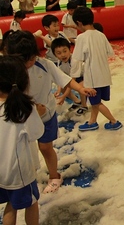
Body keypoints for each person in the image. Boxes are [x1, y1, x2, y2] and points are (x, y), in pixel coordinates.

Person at [5, 30, 96, 194]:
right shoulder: (10, 70)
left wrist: (82, 88)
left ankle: (54, 176)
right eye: (23, 60)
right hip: (21, 117)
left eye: (32, 58)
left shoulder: (44, 65)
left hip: (45, 113)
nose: (29, 63)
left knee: (45, 147)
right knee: (23, 148)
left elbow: (65, 79)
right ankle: (28, 173)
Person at [0, 56, 45, 225]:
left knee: (11, 203)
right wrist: (38, 115)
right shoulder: (24, 109)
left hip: (1, 171)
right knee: (31, 202)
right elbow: (36, 133)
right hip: (19, 173)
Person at [72, 7, 122, 131]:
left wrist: (73, 77)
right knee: (96, 101)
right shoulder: (101, 35)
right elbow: (110, 52)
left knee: (95, 102)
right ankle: (92, 122)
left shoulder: (82, 38)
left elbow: (76, 59)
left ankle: (113, 121)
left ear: (79, 22)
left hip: (93, 77)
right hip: (104, 75)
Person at [50, 38, 87, 115]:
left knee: (80, 87)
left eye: (65, 51)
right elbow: (61, 77)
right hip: (72, 79)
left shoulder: (74, 60)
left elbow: (72, 81)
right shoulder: (59, 62)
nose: (63, 55)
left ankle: (84, 105)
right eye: (59, 53)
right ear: (55, 55)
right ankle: (77, 101)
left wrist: (63, 96)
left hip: (85, 77)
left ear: (70, 50)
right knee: (63, 86)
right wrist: (59, 91)